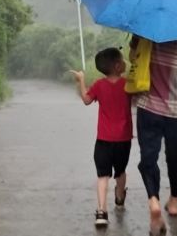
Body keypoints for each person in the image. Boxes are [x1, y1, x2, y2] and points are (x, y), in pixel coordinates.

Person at [129, 36, 177, 235]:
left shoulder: (144, 33)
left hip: (148, 106)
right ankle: (174, 200)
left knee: (148, 157)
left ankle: (153, 200)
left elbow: (133, 58)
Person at [70, 47, 133, 228]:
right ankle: (120, 197)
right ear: (117, 65)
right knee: (120, 172)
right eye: (122, 60)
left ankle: (101, 211)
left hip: (103, 140)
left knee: (102, 176)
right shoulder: (128, 84)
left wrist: (81, 80)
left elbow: (86, 100)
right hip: (123, 139)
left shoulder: (99, 85)